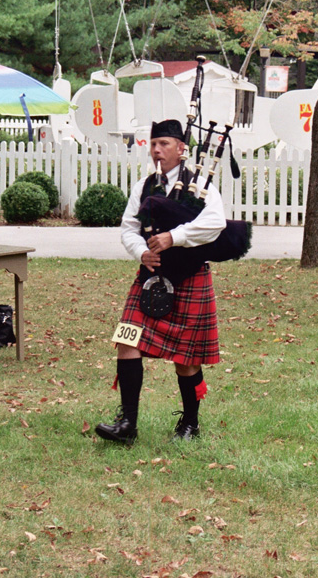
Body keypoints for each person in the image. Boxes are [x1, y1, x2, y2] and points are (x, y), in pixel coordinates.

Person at [95, 119, 226, 444]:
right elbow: (128, 227)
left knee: (187, 360)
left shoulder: (200, 185)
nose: (157, 150)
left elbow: (215, 222)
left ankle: (190, 424)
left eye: (164, 144)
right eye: (153, 144)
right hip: (150, 278)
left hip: (190, 277)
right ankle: (127, 424)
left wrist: (175, 237)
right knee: (127, 340)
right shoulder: (143, 186)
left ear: (181, 149)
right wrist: (142, 252)